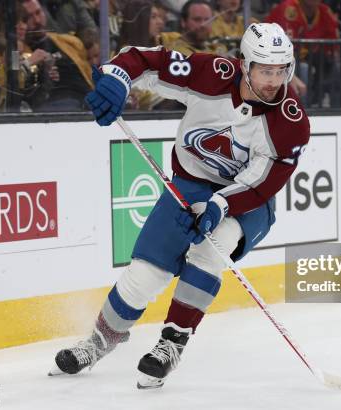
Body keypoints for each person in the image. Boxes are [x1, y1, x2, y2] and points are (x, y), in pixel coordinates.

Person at [50, 22, 310, 389]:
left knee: (209, 249)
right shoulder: (211, 74)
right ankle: (101, 340)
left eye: (281, 70)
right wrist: (117, 79)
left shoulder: (290, 122)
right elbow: (147, 61)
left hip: (246, 202)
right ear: (244, 64)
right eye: (265, 70)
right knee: (143, 276)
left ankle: (171, 344)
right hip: (187, 187)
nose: (273, 81)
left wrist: (219, 205)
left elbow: (261, 181)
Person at [19, 0, 93, 111]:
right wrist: (28, 63)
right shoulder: (20, 52)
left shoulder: (69, 42)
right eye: (29, 17)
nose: (37, 21)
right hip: (56, 108)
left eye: (38, 13)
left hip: (88, 100)